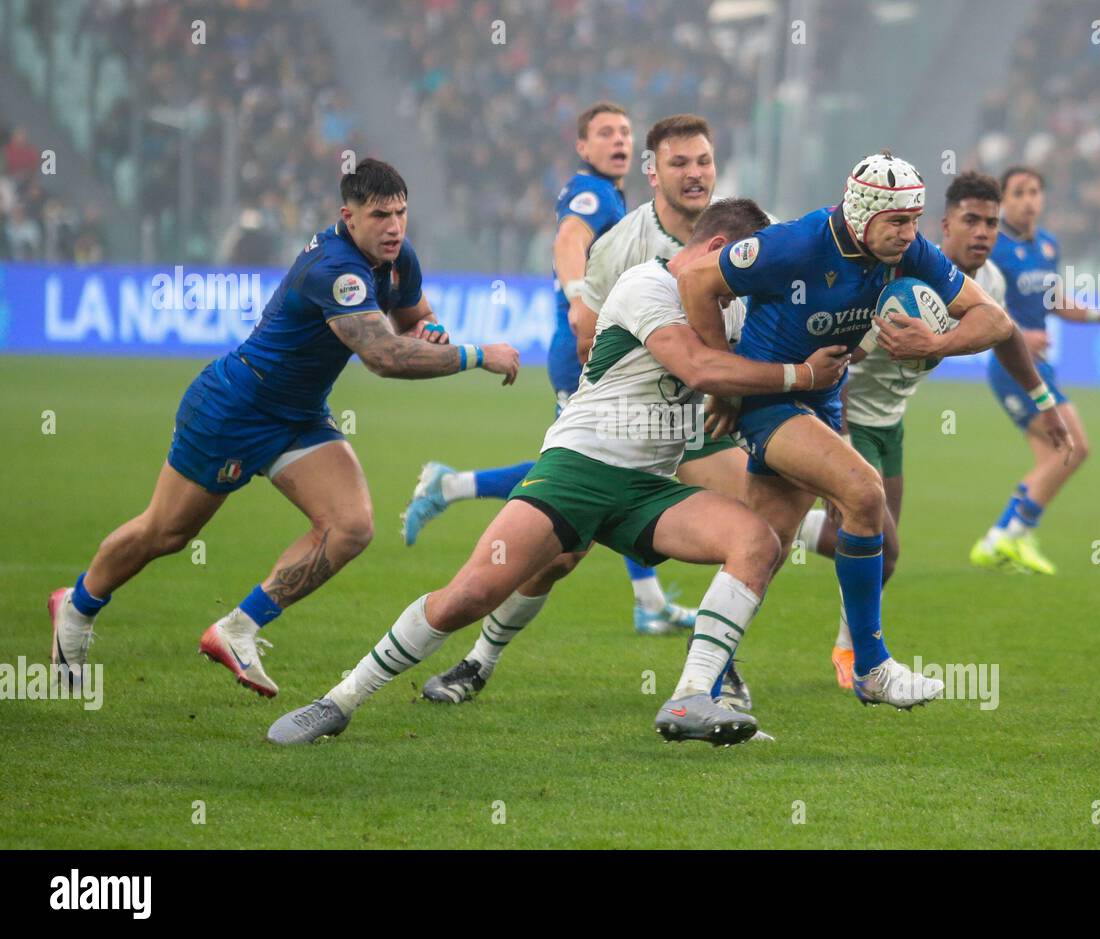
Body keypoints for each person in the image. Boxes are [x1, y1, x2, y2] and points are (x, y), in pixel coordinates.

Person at [266, 199, 850, 746]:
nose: (755, 280)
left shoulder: (732, 306)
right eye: (749, 266)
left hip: (647, 489)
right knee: (467, 596)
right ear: (718, 248)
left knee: (755, 541)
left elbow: (772, 347)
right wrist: (801, 376)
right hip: (579, 468)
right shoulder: (646, 284)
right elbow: (698, 367)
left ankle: (690, 698)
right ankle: (339, 700)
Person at [47, 159, 520, 697]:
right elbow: (383, 355)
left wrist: (431, 330)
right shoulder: (335, 271)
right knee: (168, 533)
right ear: (349, 216)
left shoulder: (395, 256)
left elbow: (413, 319)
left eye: (402, 213)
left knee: (351, 527)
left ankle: (238, 628)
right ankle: (77, 608)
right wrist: (477, 354)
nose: (394, 226)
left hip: (298, 415)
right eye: (380, 214)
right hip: (234, 407)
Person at [679, 152, 1072, 709]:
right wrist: (725, 382)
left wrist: (936, 344)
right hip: (771, 402)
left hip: (823, 404)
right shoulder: (794, 244)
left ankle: (699, 690)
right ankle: (871, 666)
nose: (908, 233)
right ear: (861, 213)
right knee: (865, 494)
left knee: (760, 548)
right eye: (897, 221)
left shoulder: (910, 250)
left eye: (914, 220)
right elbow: (696, 280)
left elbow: (992, 319)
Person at [421, 114, 752, 708]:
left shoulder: (739, 233)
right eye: (680, 163)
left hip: (698, 417)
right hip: (623, 421)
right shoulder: (623, 241)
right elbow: (587, 330)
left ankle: (713, 671)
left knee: (753, 527)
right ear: (654, 173)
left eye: (703, 160)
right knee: (559, 557)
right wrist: (578, 298)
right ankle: (478, 660)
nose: (695, 173)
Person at [400, 102, 695, 635]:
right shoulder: (593, 193)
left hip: (607, 349)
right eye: (605, 132)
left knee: (619, 461)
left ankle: (648, 601)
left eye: (625, 131)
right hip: (583, 351)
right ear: (583, 147)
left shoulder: (618, 198)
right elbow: (568, 240)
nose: (619, 140)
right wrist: (580, 296)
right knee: (581, 466)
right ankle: (449, 487)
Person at [813, 171, 1066, 687]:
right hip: (847, 412)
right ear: (944, 225)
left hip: (891, 423)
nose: (983, 233)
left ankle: (846, 650)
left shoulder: (987, 284)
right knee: (878, 541)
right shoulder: (898, 274)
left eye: (992, 223)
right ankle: (864, 656)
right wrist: (834, 434)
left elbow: (1008, 337)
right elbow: (840, 355)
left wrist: (1043, 400)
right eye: (971, 220)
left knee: (883, 554)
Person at [969, 166, 1100, 575]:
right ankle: (1009, 535)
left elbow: (1054, 299)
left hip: (1040, 365)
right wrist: (1017, 333)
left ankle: (1004, 540)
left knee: (1050, 460)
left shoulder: (1048, 246)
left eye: (1034, 191)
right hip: (1011, 364)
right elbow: (977, 305)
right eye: (1018, 193)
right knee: (1074, 447)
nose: (1028, 200)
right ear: (1003, 202)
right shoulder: (994, 249)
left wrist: (1096, 315)